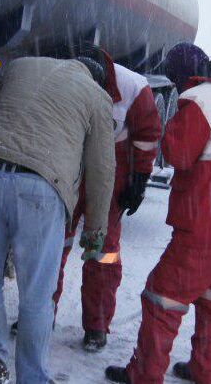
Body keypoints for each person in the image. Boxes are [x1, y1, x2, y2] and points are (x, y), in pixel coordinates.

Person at [106, 42, 211, 384]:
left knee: (162, 298)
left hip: (206, 226)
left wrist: (174, 125)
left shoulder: (200, 100)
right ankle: (203, 370)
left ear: (182, 76)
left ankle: (144, 375)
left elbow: (178, 154)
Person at [0, 56, 115, 384]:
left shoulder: (20, 66)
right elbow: (102, 172)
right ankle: (31, 377)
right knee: (36, 295)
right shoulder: (96, 96)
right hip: (41, 187)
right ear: (97, 78)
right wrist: (94, 232)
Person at [50, 45, 162, 353]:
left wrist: (139, 179)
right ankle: (41, 314)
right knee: (51, 244)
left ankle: (96, 326)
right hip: (68, 170)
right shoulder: (62, 80)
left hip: (110, 178)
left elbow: (148, 135)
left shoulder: (133, 87)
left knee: (103, 252)